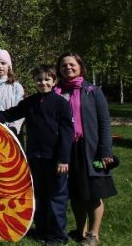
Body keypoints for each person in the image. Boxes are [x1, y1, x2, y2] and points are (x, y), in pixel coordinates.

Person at [0, 65, 73, 245]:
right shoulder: (31, 102)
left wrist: (64, 159)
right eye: (39, 80)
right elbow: (10, 114)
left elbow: (67, 133)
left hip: (55, 159)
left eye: (46, 80)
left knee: (56, 198)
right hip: (35, 157)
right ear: (34, 82)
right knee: (39, 196)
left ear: (54, 81)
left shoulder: (61, 103)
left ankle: (57, 235)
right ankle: (42, 230)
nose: (42, 83)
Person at [55, 53, 115, 246]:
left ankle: (93, 234)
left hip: (90, 149)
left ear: (80, 66)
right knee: (76, 193)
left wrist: (105, 151)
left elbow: (104, 122)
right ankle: (80, 230)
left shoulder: (92, 91)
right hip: (66, 149)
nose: (68, 68)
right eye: (64, 66)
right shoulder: (56, 92)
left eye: (72, 65)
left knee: (93, 193)